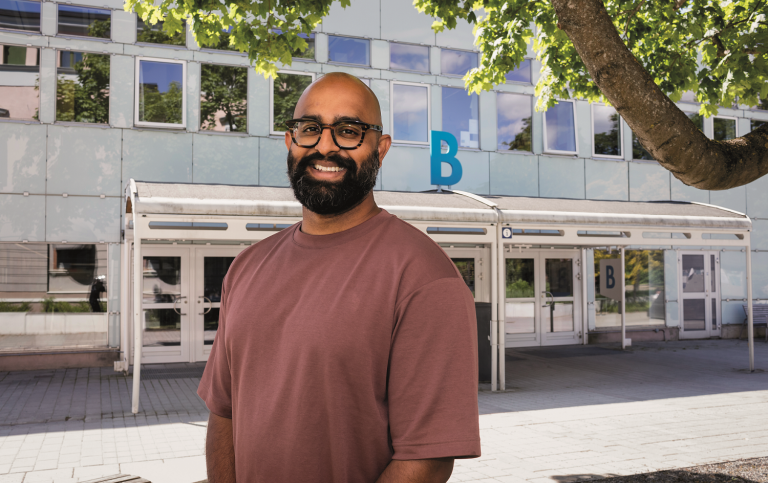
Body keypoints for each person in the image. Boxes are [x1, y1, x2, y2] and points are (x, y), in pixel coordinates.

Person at [198, 72, 480, 483]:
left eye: (348, 131)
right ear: (290, 141)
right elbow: (224, 412)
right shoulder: (246, 267)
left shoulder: (424, 277)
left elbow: (427, 458)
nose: (324, 146)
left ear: (380, 149)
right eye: (309, 129)